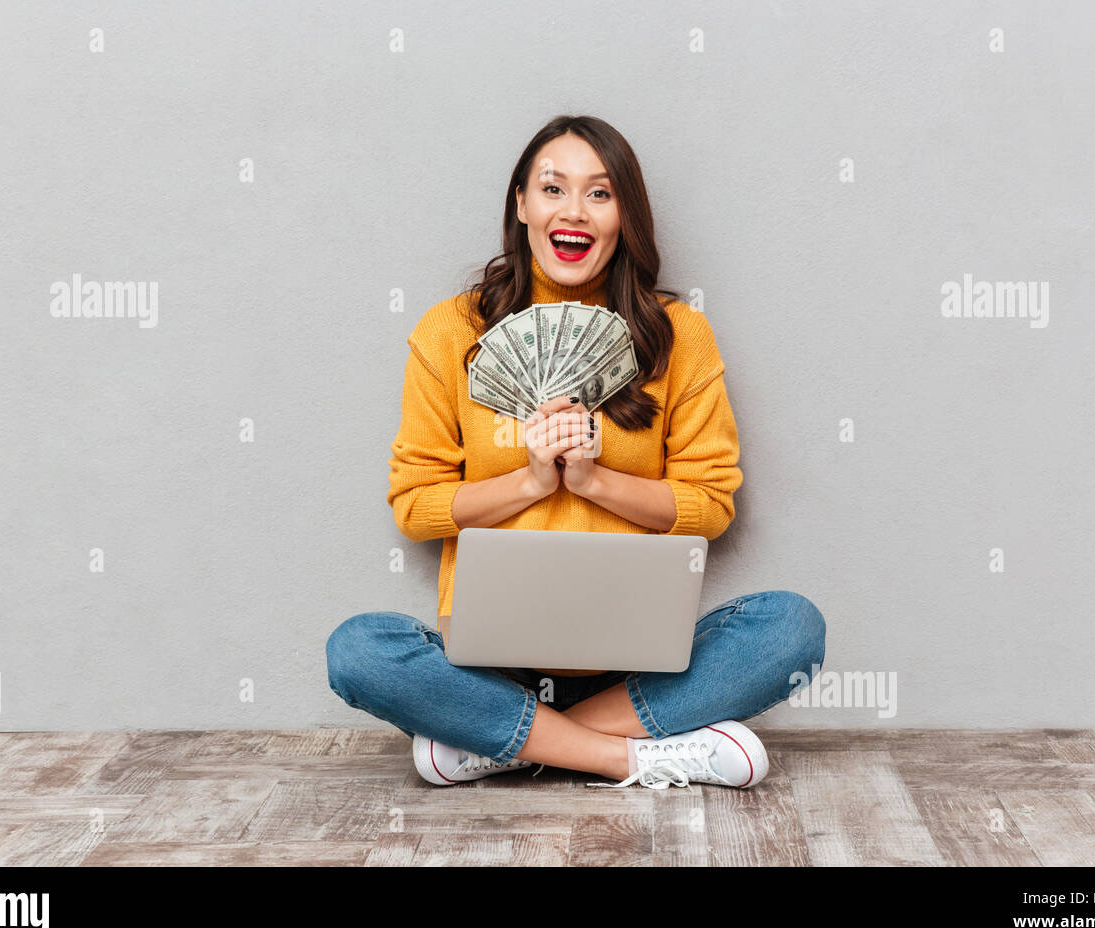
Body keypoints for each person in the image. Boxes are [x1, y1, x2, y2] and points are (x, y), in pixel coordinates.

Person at [326, 115, 826, 790]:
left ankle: (497, 738)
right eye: (554, 188)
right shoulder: (450, 331)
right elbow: (416, 509)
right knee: (359, 651)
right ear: (522, 204)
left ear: (626, 215)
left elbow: (710, 507)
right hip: (489, 666)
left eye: (600, 193)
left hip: (636, 666)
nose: (575, 211)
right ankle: (626, 757)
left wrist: (592, 480)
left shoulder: (680, 335)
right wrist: (532, 483)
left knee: (791, 629)